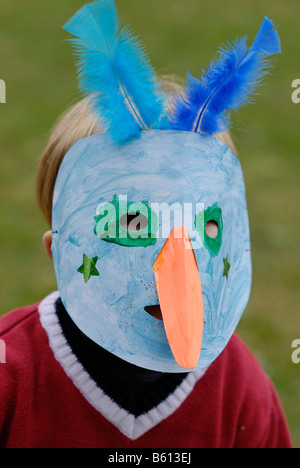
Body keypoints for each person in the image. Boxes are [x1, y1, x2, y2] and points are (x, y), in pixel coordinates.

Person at [0, 1, 293, 448]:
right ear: (56, 251)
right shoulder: (11, 375)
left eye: (206, 227)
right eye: (133, 224)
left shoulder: (237, 385)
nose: (175, 261)